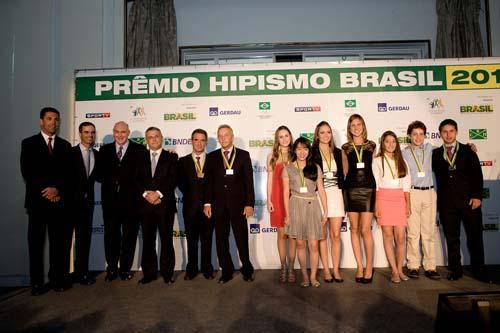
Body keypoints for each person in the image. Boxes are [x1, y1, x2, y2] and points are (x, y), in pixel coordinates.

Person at [20, 107, 72, 295]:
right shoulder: (28, 143)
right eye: (49, 119)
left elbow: (68, 174)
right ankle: (36, 283)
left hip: (59, 202)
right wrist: (47, 190)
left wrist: (57, 189)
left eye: (56, 119)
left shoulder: (65, 146)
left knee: (57, 244)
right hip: (37, 203)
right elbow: (28, 172)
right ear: (41, 121)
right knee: (36, 244)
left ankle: (56, 279)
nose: (53, 122)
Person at [432, 119, 486, 281]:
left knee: (475, 238)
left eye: (451, 131)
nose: (448, 135)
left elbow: (477, 174)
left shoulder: (468, 151)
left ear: (456, 132)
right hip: (447, 204)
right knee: (452, 239)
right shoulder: (435, 154)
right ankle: (456, 271)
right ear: (440, 133)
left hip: (469, 202)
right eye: (445, 131)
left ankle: (480, 272)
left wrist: (477, 196)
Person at [203, 125, 255, 284]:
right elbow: (208, 183)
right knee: (221, 240)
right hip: (218, 206)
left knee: (241, 239)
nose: (223, 138)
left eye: (226, 135)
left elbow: (248, 182)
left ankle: (247, 269)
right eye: (221, 135)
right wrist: (207, 203)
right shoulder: (211, 157)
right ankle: (226, 271)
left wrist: (249, 204)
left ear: (232, 137)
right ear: (218, 138)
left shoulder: (243, 155)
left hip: (239, 206)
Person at [98, 121, 146, 282]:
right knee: (110, 236)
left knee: (129, 237)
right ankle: (111, 269)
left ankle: (125, 269)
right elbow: (98, 175)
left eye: (123, 132)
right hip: (110, 202)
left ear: (128, 132)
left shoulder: (139, 150)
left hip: (132, 203)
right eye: (117, 131)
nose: (120, 135)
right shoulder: (104, 150)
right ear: (113, 132)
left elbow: (145, 174)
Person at [283, 137, 328, 288]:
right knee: (300, 244)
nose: (302, 152)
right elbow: (285, 192)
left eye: (305, 149)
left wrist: (325, 211)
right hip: (295, 204)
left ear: (309, 151)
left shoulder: (315, 167)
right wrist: (287, 215)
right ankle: (304, 276)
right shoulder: (288, 168)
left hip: (312, 205)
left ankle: (313, 276)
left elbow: (321, 189)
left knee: (314, 245)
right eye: (299, 149)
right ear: (294, 150)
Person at [136, 127, 178, 284]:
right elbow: (136, 179)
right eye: (150, 137)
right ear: (146, 140)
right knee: (148, 241)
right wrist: (146, 194)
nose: (154, 139)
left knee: (166, 240)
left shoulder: (172, 157)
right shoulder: (139, 157)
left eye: (156, 136)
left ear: (162, 138)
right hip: (145, 206)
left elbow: (173, 179)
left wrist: (158, 194)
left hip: (164, 205)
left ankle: (168, 274)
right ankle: (149, 274)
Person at [401, 121, 440, 280]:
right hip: (412, 193)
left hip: (429, 193)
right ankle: (413, 265)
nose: (418, 137)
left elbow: (451, 150)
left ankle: (430, 266)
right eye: (414, 134)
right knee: (413, 233)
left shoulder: (431, 149)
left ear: (425, 135)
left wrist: (469, 146)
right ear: (409, 135)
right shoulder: (403, 153)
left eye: (421, 134)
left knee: (429, 232)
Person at [341, 114, 376, 283]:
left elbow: (377, 167)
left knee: (365, 230)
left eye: (358, 124)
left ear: (363, 125)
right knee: (354, 229)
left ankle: (369, 266)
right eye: (352, 125)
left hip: (368, 189)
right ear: (349, 128)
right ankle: (360, 267)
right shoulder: (346, 147)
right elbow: (345, 172)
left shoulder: (372, 145)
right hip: (351, 190)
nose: (356, 127)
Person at [372, 131, 411, 283]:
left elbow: (407, 185)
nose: (390, 144)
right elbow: (375, 184)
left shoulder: (402, 160)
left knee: (401, 237)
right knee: (388, 236)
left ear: (397, 143)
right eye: (387, 141)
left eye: (393, 141)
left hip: (399, 199)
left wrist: (408, 204)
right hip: (383, 198)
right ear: (383, 143)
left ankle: (400, 269)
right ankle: (394, 271)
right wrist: (376, 205)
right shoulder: (377, 161)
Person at [178, 129, 215, 280]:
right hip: (190, 208)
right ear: (191, 141)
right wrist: (194, 195)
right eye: (196, 140)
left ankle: (207, 269)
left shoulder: (213, 160)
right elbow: (180, 183)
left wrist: (207, 201)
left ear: (206, 142)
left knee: (207, 240)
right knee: (191, 241)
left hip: (209, 208)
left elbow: (214, 184)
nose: (199, 143)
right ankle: (191, 269)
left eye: (202, 140)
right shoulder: (183, 161)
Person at [311, 121, 345, 283]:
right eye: (322, 132)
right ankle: (326, 270)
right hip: (320, 196)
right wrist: (317, 177)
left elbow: (345, 173)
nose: (326, 135)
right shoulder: (312, 152)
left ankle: (336, 270)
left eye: (328, 132)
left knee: (336, 235)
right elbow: (307, 174)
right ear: (317, 135)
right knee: (322, 236)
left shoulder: (338, 152)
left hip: (336, 195)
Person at [68, 121, 99, 285]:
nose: (90, 135)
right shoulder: (70, 153)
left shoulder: (96, 154)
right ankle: (62, 276)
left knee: (84, 240)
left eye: (92, 132)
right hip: (69, 204)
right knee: (65, 241)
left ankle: (82, 273)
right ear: (80, 133)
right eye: (86, 132)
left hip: (87, 205)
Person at [266, 125, 296, 283]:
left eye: (286, 135)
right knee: (281, 234)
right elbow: (270, 180)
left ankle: (292, 267)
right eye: (281, 136)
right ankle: (283, 266)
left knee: (292, 235)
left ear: (290, 137)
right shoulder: (272, 156)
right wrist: (269, 199)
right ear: (277, 139)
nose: (284, 139)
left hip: (294, 198)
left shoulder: (297, 154)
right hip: (278, 198)